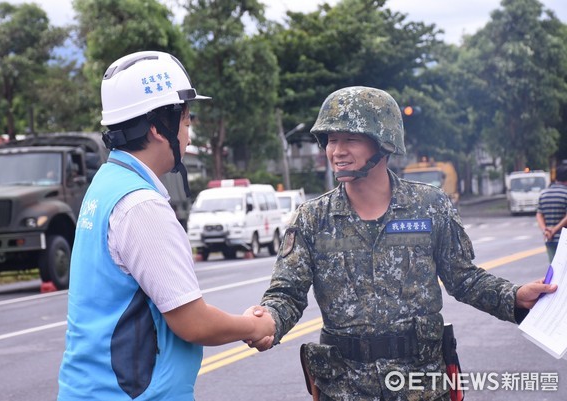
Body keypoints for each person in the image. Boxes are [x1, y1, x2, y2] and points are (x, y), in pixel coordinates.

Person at [248, 86, 557, 400]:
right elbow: (286, 294)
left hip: (420, 385)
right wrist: (268, 321)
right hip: (343, 388)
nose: (336, 150)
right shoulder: (311, 219)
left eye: (350, 139)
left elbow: (464, 278)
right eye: (331, 139)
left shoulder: (430, 206)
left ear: (383, 142)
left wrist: (515, 295)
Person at [57, 51, 274, 401]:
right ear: (159, 128)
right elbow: (192, 323)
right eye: (186, 122)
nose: (189, 133)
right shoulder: (141, 206)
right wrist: (254, 325)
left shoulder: (107, 183)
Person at [536, 164, 567, 262]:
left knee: (553, 267)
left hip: (549, 238)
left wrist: (545, 230)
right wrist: (555, 229)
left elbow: (539, 214)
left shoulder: (544, 193)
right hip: (564, 239)